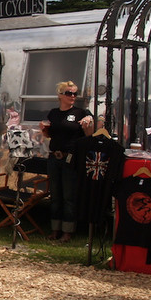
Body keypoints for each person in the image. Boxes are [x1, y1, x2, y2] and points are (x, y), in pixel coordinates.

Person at [40, 80, 94, 243]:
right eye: (69, 93)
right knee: (55, 195)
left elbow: (89, 135)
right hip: (54, 157)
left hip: (70, 159)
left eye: (74, 94)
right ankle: (55, 229)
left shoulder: (80, 113)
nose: (72, 96)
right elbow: (50, 135)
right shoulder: (54, 113)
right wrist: (44, 130)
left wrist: (88, 125)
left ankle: (68, 231)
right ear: (60, 95)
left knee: (69, 196)